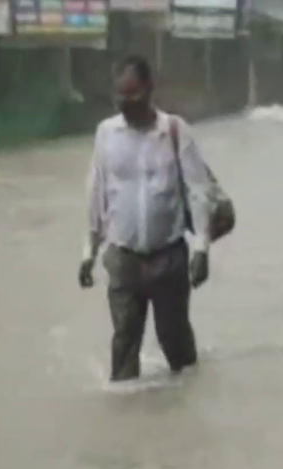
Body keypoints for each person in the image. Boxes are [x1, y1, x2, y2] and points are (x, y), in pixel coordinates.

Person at [77, 55, 212, 382]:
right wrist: (88, 254)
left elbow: (198, 190)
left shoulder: (175, 131)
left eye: (133, 96)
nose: (126, 105)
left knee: (176, 341)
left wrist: (202, 249)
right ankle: (125, 418)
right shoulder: (106, 134)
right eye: (120, 97)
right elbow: (96, 194)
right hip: (123, 257)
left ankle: (189, 407)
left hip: (169, 256)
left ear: (150, 90)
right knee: (124, 342)